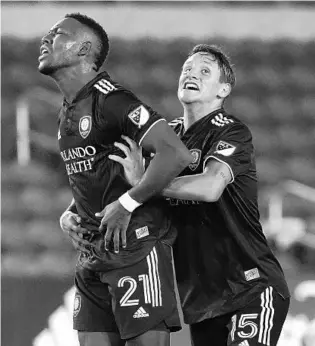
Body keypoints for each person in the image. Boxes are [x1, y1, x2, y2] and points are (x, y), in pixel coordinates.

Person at [110, 44, 291, 346]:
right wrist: (74, 211)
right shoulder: (164, 136)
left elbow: (210, 187)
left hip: (251, 286)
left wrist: (145, 183)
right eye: (187, 69)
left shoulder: (231, 131)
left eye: (204, 71)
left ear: (224, 89)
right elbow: (117, 179)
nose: (191, 74)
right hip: (202, 301)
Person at [38, 13, 194, 346]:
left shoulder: (112, 100)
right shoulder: (69, 109)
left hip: (136, 248)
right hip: (92, 255)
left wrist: (128, 202)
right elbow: (100, 170)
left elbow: (175, 153)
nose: (46, 39)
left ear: (83, 50)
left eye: (58, 34)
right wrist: (70, 211)